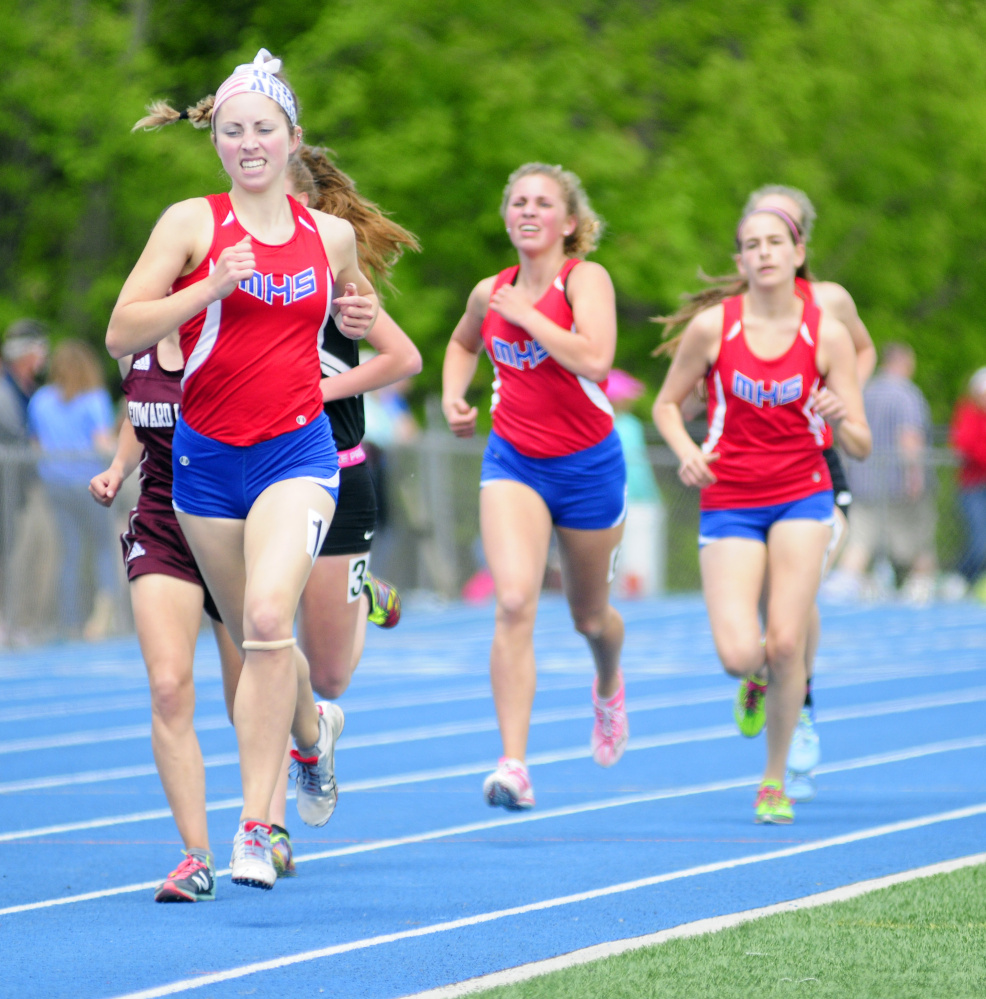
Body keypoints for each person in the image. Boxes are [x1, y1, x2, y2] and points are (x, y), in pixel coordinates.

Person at [106, 49, 378, 890]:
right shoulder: (191, 223)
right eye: (233, 130)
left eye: (264, 128)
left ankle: (255, 825)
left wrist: (361, 316)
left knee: (265, 618)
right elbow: (121, 333)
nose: (249, 142)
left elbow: (361, 319)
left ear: (292, 139)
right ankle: (310, 734)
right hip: (203, 463)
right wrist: (208, 287)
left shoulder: (329, 235)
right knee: (261, 637)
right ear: (217, 140)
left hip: (297, 453)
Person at [653, 205, 871, 824]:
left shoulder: (823, 332)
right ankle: (753, 680)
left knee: (785, 641)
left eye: (776, 242)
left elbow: (861, 444)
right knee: (737, 653)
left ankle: (773, 780)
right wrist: (687, 453)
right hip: (731, 497)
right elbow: (669, 406)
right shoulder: (712, 329)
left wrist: (839, 416)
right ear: (741, 261)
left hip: (804, 492)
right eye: (752, 244)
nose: (765, 252)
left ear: (798, 253)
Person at [244, 145, 421, 876]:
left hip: (338, 474)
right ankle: (269, 819)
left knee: (333, 672)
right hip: (254, 477)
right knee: (264, 635)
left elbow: (402, 359)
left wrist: (316, 391)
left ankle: (360, 590)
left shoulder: (341, 286)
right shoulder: (231, 268)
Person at [442, 162, 629, 811]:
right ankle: (514, 764)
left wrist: (530, 316)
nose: (527, 211)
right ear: (506, 215)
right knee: (515, 600)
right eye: (517, 201)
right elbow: (462, 344)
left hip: (588, 466)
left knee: (589, 616)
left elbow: (596, 359)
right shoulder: (489, 291)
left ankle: (607, 680)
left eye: (542, 203)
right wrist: (451, 396)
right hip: (514, 462)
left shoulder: (587, 280)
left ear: (568, 222)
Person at [89, 329, 243, 902]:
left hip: (233, 525)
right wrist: (117, 468)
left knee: (248, 696)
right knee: (169, 687)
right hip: (162, 525)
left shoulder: (236, 331)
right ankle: (196, 857)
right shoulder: (140, 338)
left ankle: (267, 819)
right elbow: (140, 411)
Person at [737, 186, 877, 802]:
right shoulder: (732, 308)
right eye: (755, 232)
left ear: (799, 240)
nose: (766, 243)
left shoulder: (830, 302)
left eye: (780, 228)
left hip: (817, 463)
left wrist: (843, 397)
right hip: (750, 468)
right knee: (767, 599)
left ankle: (804, 702)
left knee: (800, 591)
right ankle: (763, 668)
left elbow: (863, 350)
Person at [27, 339, 119, 639]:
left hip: (56, 485)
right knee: (104, 549)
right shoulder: (94, 399)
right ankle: (105, 616)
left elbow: (36, 444)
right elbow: (102, 443)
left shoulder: (40, 400)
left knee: (71, 552)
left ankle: (70, 620)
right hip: (90, 484)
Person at [837, 343, 935, 601]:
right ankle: (920, 590)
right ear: (905, 362)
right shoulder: (906, 394)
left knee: (859, 543)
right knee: (916, 545)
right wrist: (915, 477)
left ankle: (846, 589)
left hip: (863, 481)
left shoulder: (866, 391)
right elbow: (909, 438)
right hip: (896, 484)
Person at [605, 369, 664, 596]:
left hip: (631, 502)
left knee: (636, 564)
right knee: (632, 562)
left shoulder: (628, 425)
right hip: (628, 503)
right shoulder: (621, 425)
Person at [950, 367, 986, 592]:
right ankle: (962, 578)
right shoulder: (968, 411)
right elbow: (966, 446)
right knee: (979, 540)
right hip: (972, 485)